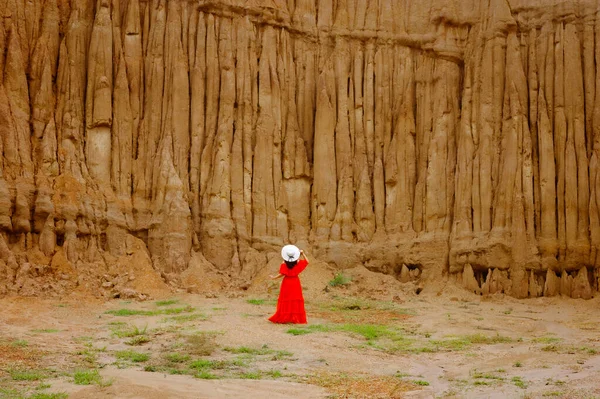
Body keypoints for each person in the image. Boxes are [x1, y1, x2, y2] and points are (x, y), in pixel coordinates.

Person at [268, 245, 309, 324]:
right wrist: (303, 254)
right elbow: (307, 261)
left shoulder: (284, 263)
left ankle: (285, 316)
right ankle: (295, 317)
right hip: (295, 282)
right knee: (295, 298)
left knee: (286, 298)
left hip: (286, 283)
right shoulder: (297, 263)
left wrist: (274, 278)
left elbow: (282, 274)